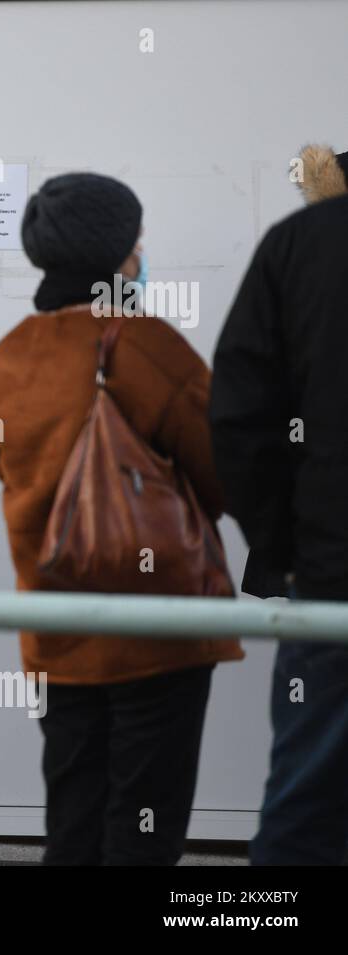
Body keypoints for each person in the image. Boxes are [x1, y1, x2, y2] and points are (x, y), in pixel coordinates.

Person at [0, 172, 244, 865]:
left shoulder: (13, 352)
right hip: (154, 628)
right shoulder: (142, 341)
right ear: (115, 253)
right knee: (144, 821)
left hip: (57, 623)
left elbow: (7, 459)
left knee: (73, 811)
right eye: (135, 238)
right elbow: (223, 468)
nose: (141, 250)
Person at [212, 144, 348, 865]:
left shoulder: (299, 246)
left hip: (329, 578)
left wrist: (286, 546)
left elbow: (236, 417)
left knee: (307, 806)